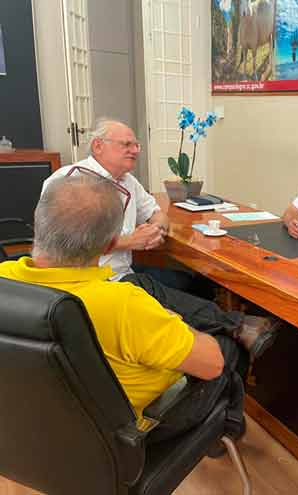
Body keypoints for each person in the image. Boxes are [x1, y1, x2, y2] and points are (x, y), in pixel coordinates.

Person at [0, 175, 247, 446]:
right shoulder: (124, 304)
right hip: (126, 438)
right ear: (109, 245)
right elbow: (212, 365)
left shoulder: (4, 277)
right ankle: (227, 430)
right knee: (225, 347)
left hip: (30, 430)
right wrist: (181, 324)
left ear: (38, 225)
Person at [43, 118, 279, 359]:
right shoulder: (70, 182)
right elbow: (63, 246)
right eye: (126, 144)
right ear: (98, 146)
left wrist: (154, 230)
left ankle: (222, 330)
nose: (135, 150)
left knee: (194, 279)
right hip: (90, 281)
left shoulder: (128, 181)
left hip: (123, 270)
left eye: (136, 145)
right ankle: (237, 328)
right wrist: (130, 241)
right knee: (144, 285)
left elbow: (157, 213)